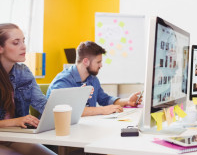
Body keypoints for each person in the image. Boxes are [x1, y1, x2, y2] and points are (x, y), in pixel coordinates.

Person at [0, 23, 55, 155]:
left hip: (14, 137)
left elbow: (42, 104)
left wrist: (63, 111)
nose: (23, 46)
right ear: (1, 48)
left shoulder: (23, 72)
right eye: (15, 43)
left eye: (23, 41)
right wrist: (16, 121)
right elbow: (17, 121)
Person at [46, 41, 142, 117]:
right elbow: (68, 111)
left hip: (84, 127)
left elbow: (105, 99)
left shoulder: (92, 79)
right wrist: (102, 110)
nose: (101, 65)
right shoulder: (63, 81)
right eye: (98, 62)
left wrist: (127, 101)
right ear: (86, 61)